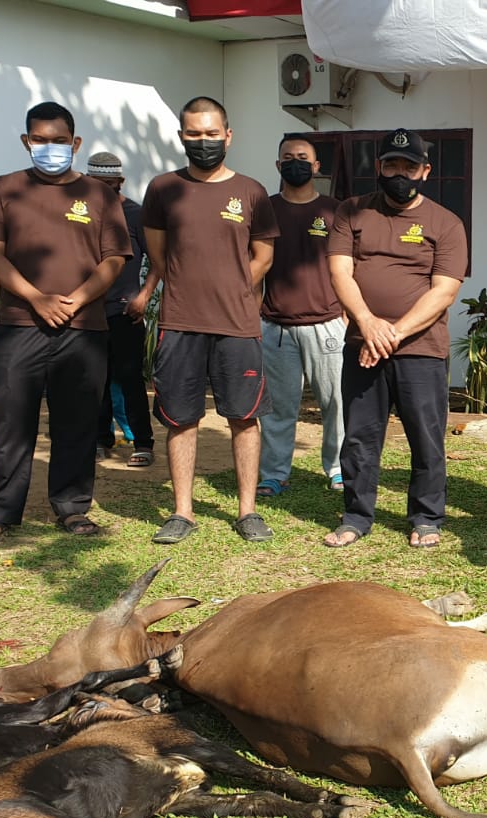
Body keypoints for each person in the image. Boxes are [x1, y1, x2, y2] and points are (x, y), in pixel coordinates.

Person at [0, 101, 130, 545]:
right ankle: (0, 512)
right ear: (26, 141)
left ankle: (72, 508)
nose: (50, 148)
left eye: (59, 141)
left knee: (76, 423)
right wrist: (36, 297)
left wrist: (75, 300)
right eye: (40, 140)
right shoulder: (3, 189)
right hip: (21, 325)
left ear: (75, 144)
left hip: (84, 329)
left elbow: (114, 258)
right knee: (10, 422)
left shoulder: (100, 195)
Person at [129, 96, 279, 544]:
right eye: (194, 134)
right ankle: (182, 512)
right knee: (181, 418)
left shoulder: (251, 191)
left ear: (228, 136)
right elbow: (157, 251)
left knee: (244, 417)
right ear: (181, 137)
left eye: (212, 134)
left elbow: (264, 256)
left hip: (237, 324)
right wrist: (188, 285)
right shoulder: (162, 189)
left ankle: (248, 511)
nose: (204, 142)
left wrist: (233, 287)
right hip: (180, 321)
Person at [323, 128, 468, 549]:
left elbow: (444, 290)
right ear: (379, 167)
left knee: (426, 436)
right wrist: (367, 323)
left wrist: (393, 332)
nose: (399, 173)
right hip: (362, 343)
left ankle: (426, 517)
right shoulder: (351, 212)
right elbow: (339, 271)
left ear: (425, 170)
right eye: (391, 165)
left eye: (408, 166)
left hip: (421, 348)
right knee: (360, 436)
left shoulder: (446, 223)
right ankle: (356, 515)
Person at [256, 133, 346, 498]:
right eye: (288, 157)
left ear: (316, 166)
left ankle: (340, 468)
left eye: (303, 157)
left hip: (327, 324)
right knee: (277, 409)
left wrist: (349, 316)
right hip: (275, 327)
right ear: (278, 165)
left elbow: (351, 267)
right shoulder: (265, 210)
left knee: (336, 404)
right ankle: (274, 473)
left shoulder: (336, 211)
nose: (296, 162)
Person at [86, 151, 155, 468]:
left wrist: (144, 296)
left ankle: (143, 442)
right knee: (94, 379)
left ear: (120, 182)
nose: (102, 190)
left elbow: (159, 260)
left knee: (130, 379)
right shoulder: (79, 214)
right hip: (87, 312)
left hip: (126, 311)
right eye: (96, 184)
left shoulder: (136, 214)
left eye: (108, 184)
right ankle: (101, 438)